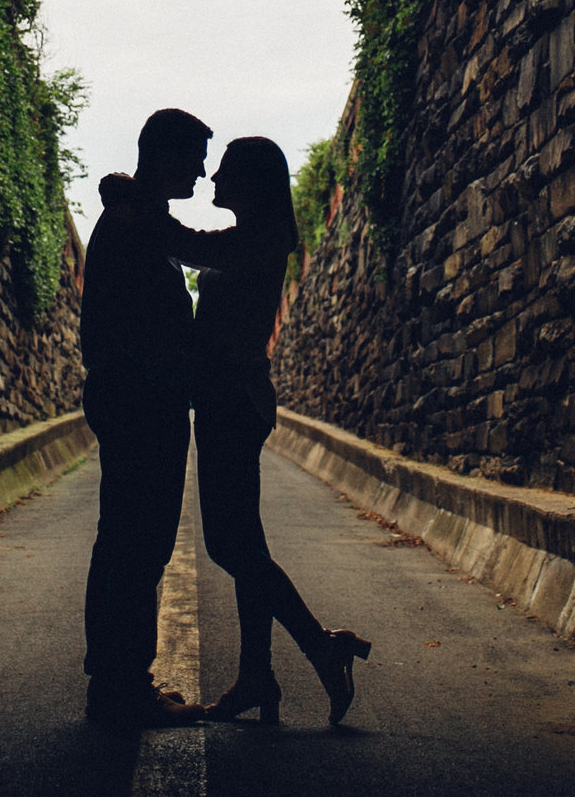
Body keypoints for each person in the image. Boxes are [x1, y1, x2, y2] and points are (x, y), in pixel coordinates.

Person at [103, 135, 371, 725]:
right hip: (231, 401)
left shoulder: (260, 236)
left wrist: (134, 197)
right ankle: (257, 676)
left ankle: (323, 648)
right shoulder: (260, 235)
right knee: (246, 543)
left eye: (224, 170)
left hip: (232, 403)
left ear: (251, 182)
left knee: (230, 546)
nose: (213, 177)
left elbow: (185, 244)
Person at [78, 108, 212, 728]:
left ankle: (117, 681)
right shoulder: (132, 222)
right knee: (135, 544)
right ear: (163, 156)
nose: (203, 171)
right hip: (140, 407)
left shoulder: (137, 217)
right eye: (194, 158)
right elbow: (133, 332)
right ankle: (121, 687)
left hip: (138, 404)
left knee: (131, 543)